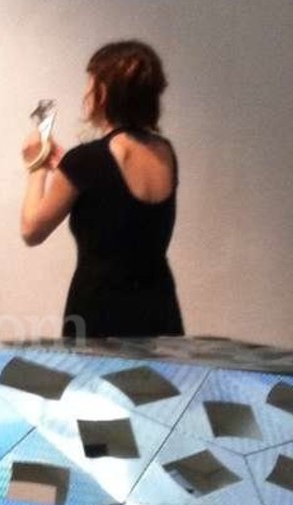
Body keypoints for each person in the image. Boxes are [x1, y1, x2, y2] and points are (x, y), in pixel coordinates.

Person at [19, 40, 184, 339]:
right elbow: (114, 198)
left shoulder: (85, 161)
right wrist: (70, 168)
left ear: (103, 93)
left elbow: (32, 230)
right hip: (159, 309)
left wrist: (37, 166)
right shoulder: (165, 152)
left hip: (100, 313)